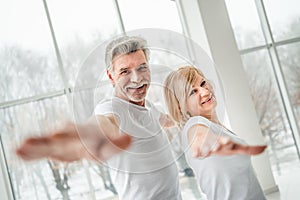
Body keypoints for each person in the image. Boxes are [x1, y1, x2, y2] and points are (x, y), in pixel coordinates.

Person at [17, 35, 182, 200]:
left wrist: (189, 115)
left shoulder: (149, 107)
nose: (136, 78)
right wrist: (86, 134)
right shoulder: (112, 108)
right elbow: (104, 123)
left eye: (142, 67)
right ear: (111, 77)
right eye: (125, 71)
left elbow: (167, 120)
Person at [163, 66, 267, 200]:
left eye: (202, 83)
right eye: (192, 92)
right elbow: (198, 134)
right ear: (180, 106)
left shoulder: (215, 126)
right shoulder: (194, 124)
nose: (205, 92)